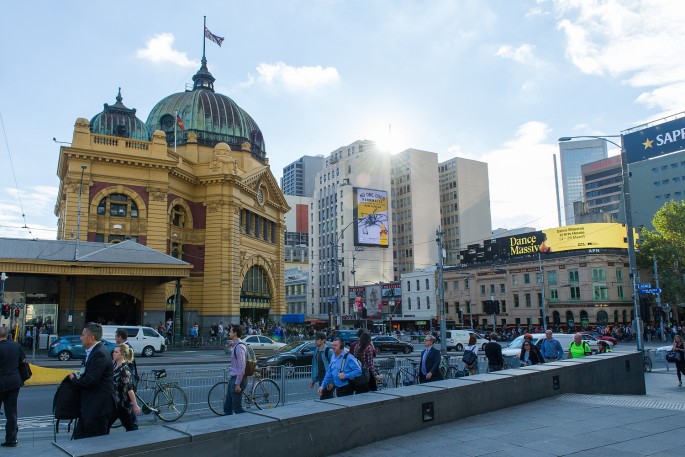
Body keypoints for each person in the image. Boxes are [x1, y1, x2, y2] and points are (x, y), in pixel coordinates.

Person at [68, 322, 116, 440]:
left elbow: (90, 380)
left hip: (97, 408)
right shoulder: (92, 352)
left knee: (94, 442)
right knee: (80, 439)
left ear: (91, 338)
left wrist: (73, 380)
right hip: (90, 407)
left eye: (82, 335)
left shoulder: (100, 354)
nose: (80, 338)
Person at [0, 327, 24, 447]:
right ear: (8, 335)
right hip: (14, 382)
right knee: (12, 412)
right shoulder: (16, 346)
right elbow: (22, 361)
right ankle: (11, 439)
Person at [109, 344, 141, 431]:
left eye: (116, 352)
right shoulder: (114, 365)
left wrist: (135, 405)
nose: (113, 353)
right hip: (115, 404)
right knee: (105, 425)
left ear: (122, 354)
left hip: (124, 406)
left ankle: (137, 443)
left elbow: (129, 389)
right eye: (113, 351)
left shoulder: (124, 370)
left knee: (132, 428)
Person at [224, 325, 247, 414]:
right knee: (227, 407)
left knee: (237, 408)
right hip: (233, 378)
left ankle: (250, 422)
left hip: (238, 379)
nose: (229, 333)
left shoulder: (239, 347)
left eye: (230, 331)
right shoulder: (235, 345)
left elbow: (242, 367)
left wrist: (237, 384)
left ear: (235, 333)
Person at [310, 332, 334, 399]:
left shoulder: (328, 351)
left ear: (323, 340)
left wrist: (331, 382)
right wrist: (313, 380)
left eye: (317, 339)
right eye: (315, 339)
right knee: (328, 400)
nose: (316, 341)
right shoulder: (316, 351)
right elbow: (315, 366)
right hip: (321, 379)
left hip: (328, 379)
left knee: (324, 399)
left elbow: (333, 367)